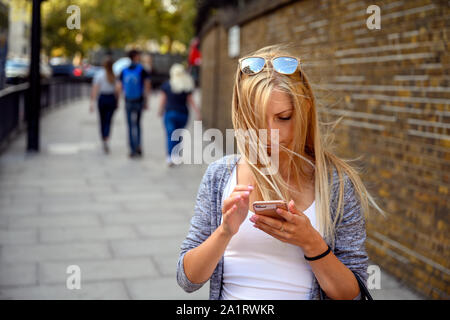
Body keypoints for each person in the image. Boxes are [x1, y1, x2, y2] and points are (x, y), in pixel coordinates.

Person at [177, 44, 385, 300]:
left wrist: (311, 242)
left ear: (304, 110)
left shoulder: (336, 183)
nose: (269, 134)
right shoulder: (220, 176)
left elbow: (353, 294)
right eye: (255, 119)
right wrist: (224, 232)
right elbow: (187, 280)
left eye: (283, 118)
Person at [158, 63, 201, 167]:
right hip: (183, 114)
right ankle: (176, 156)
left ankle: (170, 157)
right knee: (178, 135)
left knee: (170, 135)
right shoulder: (186, 85)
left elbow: (163, 99)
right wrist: (198, 112)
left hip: (170, 113)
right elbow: (191, 100)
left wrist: (160, 110)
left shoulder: (167, 85)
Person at [117, 49, 151, 158]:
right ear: (136, 56)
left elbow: (118, 87)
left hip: (128, 100)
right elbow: (147, 85)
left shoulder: (124, 70)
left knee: (130, 125)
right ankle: (139, 146)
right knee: (138, 124)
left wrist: (118, 99)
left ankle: (132, 149)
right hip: (139, 100)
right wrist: (147, 101)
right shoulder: (141, 69)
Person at [89, 57, 119, 154]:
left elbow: (95, 89)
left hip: (102, 98)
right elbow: (117, 90)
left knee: (102, 120)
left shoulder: (99, 75)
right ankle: (106, 137)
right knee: (108, 120)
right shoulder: (114, 75)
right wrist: (117, 101)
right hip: (111, 99)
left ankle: (103, 138)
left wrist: (92, 102)